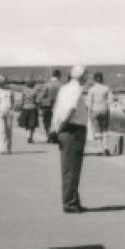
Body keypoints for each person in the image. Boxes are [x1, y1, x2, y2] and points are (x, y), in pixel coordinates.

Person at [50, 65, 89, 212]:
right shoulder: (76, 89)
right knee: (72, 169)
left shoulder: (64, 88)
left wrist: (54, 128)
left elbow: (57, 110)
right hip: (72, 130)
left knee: (68, 168)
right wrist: (61, 127)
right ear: (82, 76)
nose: (87, 78)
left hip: (65, 130)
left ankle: (73, 200)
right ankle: (70, 203)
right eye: (86, 75)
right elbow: (70, 109)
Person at [0, 75, 17, 155]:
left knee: (9, 131)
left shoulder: (10, 91)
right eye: (1, 82)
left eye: (4, 81)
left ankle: (8, 148)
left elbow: (13, 101)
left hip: (8, 112)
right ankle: (2, 149)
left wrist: (12, 109)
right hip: (0, 112)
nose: (3, 83)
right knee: (1, 130)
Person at [36, 68, 62, 141]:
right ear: (58, 76)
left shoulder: (47, 84)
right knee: (56, 121)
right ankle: (55, 136)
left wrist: (38, 101)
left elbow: (42, 94)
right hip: (58, 105)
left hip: (47, 105)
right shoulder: (61, 85)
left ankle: (49, 135)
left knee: (47, 121)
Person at [85, 72, 111, 143]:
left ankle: (100, 149)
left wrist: (89, 113)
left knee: (97, 129)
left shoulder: (91, 89)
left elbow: (89, 102)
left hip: (95, 110)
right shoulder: (106, 88)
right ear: (102, 79)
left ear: (94, 79)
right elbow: (110, 100)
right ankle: (106, 147)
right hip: (104, 110)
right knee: (105, 129)